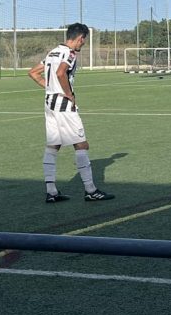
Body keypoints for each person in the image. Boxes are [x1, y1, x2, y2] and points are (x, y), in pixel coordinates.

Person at [27, 23, 114, 203]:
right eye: (84, 41)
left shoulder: (53, 52)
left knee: (53, 145)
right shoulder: (70, 54)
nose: (83, 44)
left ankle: (51, 192)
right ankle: (90, 190)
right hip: (64, 106)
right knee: (81, 145)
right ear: (80, 38)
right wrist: (68, 94)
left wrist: (50, 88)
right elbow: (60, 73)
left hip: (49, 104)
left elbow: (33, 73)